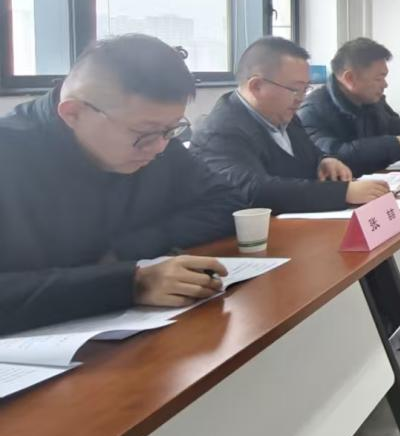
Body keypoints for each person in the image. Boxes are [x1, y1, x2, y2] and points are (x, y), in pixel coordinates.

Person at [0, 35, 243, 336]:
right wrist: (131, 283)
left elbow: (225, 200)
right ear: (73, 113)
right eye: (144, 132)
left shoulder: (154, 139)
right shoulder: (10, 155)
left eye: (172, 129)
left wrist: (131, 248)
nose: (159, 148)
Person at [192, 37, 392, 214]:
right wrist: (343, 192)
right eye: (295, 89)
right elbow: (254, 190)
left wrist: (325, 160)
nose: (301, 98)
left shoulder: (284, 114)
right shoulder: (221, 131)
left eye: (305, 88)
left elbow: (310, 153)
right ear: (256, 86)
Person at [298, 37, 400, 175]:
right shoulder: (312, 111)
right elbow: (332, 154)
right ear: (350, 78)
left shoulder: (374, 100)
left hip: (384, 182)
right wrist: (390, 144)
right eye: (378, 78)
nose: (385, 84)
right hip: (350, 190)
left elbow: (397, 129)